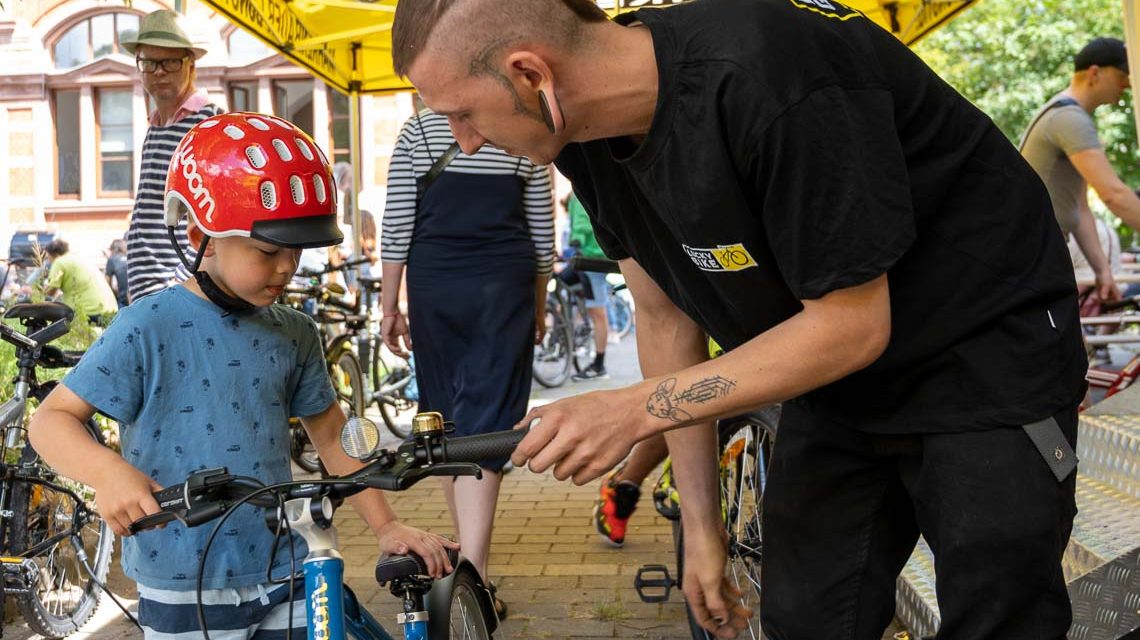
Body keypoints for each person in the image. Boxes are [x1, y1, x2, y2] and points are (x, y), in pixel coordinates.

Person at [391, 1, 1088, 638]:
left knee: (999, 615)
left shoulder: (772, 77)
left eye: (462, 113)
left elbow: (853, 322)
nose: (468, 143)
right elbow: (664, 319)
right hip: (837, 376)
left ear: (529, 73)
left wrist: (634, 411)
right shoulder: (582, 139)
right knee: (804, 614)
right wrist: (701, 528)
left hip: (982, 349)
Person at [28, 113, 458, 639]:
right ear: (200, 237)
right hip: (182, 579)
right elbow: (50, 422)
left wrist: (386, 525)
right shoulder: (146, 326)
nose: (286, 268)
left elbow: (330, 436)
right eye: (269, 250)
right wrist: (107, 471)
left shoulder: (295, 332)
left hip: (288, 566)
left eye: (297, 251)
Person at [379, 108, 555, 617]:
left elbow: (397, 220)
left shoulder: (418, 128)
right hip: (505, 283)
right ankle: (473, 578)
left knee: (446, 421)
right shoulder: (520, 122)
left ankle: (468, 571)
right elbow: (542, 229)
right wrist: (538, 302)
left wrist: (390, 306)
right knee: (489, 419)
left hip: (435, 284)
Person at [1021, 37, 1140, 306]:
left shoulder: (1067, 113)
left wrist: (1102, 270)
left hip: (1041, 248)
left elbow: (1080, 208)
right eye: (1122, 75)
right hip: (1035, 251)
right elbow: (1113, 194)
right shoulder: (1069, 118)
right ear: (1094, 73)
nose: (1128, 84)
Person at [121, 9, 222, 303]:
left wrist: (178, 281)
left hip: (175, 290)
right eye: (149, 62)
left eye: (169, 61)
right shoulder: (155, 125)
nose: (158, 71)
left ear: (190, 64)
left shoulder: (208, 123)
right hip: (146, 288)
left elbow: (213, 215)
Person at [565, 192, 610, 381]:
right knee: (564, 280)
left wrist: (576, 241)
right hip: (594, 256)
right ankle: (574, 322)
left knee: (598, 313)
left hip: (592, 259)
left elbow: (582, 224)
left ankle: (599, 365)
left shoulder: (577, 195)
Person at [42, 239, 118, 324]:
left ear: (52, 254)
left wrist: (36, 293)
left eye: (47, 257)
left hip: (91, 311)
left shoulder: (59, 262)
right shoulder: (77, 258)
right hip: (111, 309)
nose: (48, 260)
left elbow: (49, 292)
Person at [105, 238, 129, 308]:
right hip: (137, 299)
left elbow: (107, 285)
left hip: (123, 302)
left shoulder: (112, 260)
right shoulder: (130, 257)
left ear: (113, 250)